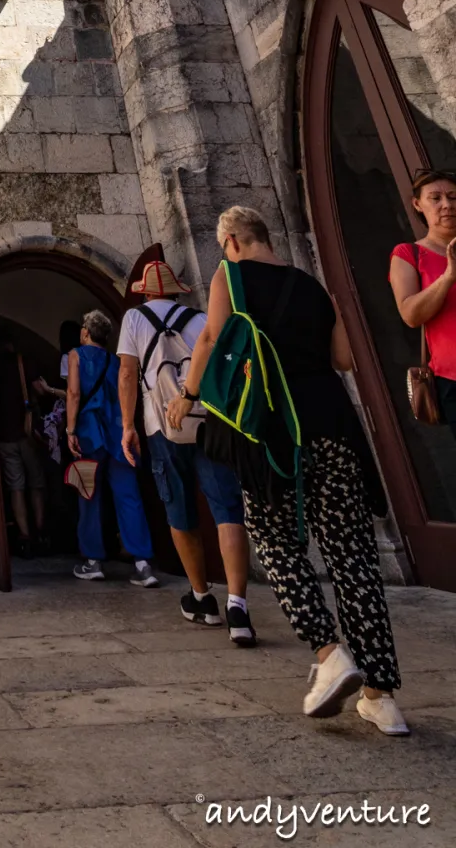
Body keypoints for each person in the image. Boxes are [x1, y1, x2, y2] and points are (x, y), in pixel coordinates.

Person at [168, 206, 408, 737]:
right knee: (354, 559)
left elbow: (209, 338)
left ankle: (329, 653)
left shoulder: (229, 275)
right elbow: (343, 359)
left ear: (230, 240)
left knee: (276, 544)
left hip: (274, 434)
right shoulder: (313, 286)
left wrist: (187, 396)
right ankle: (381, 696)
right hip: (334, 426)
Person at [118, 257, 254, 645]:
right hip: (209, 421)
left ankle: (200, 597)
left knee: (179, 510)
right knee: (227, 509)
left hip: (163, 426)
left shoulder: (134, 319)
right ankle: (238, 605)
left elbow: (127, 373)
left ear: (144, 292)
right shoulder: (198, 319)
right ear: (177, 289)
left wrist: (128, 426)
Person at [66, 308, 158, 586]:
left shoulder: (76, 355)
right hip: (118, 432)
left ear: (85, 332)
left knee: (89, 496)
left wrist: (70, 430)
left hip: (89, 432)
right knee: (128, 496)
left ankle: (93, 562)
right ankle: (142, 564)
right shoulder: (116, 361)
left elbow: (73, 392)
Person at [389, 167, 456, 441]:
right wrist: (448, 277)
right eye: (435, 198)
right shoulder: (409, 253)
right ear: (418, 204)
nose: (447, 205)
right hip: (452, 378)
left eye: (453, 197)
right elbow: (411, 315)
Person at [0, 334, 47, 555]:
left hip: (4, 434)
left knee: (16, 486)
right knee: (36, 482)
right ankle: (41, 531)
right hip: (26, 432)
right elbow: (40, 390)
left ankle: (24, 535)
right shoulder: (24, 362)